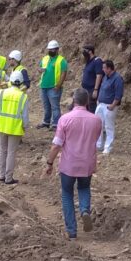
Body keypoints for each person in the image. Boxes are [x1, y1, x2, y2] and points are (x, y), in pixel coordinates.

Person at [45, 88, 103, 239]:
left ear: (74, 101)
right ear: (87, 102)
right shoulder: (96, 120)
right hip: (87, 163)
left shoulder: (65, 119)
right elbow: (96, 140)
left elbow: (57, 144)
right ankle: (84, 210)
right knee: (84, 188)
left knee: (67, 194)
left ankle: (71, 231)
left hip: (68, 164)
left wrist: (49, 162)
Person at [0, 71, 30, 184]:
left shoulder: (2, 93)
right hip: (15, 128)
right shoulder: (23, 96)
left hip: (2, 126)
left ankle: (1, 175)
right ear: (21, 83)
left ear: (11, 81)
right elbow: (25, 116)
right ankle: (8, 178)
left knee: (2, 151)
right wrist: (24, 126)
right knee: (11, 152)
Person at [95, 60, 124, 154]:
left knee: (109, 126)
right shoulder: (105, 77)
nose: (103, 70)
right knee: (98, 125)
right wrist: (99, 100)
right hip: (101, 104)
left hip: (109, 105)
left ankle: (108, 147)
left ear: (109, 68)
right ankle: (99, 144)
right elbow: (102, 88)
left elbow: (119, 93)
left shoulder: (117, 78)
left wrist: (113, 104)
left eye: (104, 68)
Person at [37, 41, 67, 129]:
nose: (51, 51)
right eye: (49, 49)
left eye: (53, 49)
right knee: (46, 106)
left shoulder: (61, 60)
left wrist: (58, 85)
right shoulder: (45, 58)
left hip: (54, 87)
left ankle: (56, 124)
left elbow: (63, 73)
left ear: (57, 50)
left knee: (55, 106)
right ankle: (46, 122)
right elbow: (39, 68)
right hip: (44, 86)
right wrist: (40, 70)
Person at [81, 45, 104, 113]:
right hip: (86, 89)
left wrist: (96, 89)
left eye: (85, 51)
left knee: (92, 107)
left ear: (90, 51)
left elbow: (99, 75)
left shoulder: (97, 61)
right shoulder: (88, 61)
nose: (83, 53)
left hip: (92, 89)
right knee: (86, 107)